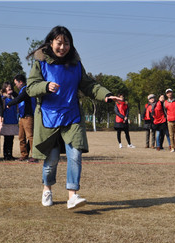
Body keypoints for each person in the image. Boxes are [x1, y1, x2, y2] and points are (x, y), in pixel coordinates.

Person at [27, 25, 118, 209]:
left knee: (75, 154)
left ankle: (72, 195)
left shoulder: (75, 64)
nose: (63, 47)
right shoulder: (40, 62)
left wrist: (106, 95)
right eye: (59, 43)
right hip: (49, 118)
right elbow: (30, 87)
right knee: (51, 160)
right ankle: (47, 188)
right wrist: (45, 86)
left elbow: (89, 85)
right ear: (50, 43)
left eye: (66, 43)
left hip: (72, 116)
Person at [6, 74, 36, 162]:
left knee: (30, 136)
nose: (16, 85)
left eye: (16, 83)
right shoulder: (22, 90)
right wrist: (12, 93)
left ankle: (34, 155)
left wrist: (9, 104)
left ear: (21, 82)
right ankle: (24, 154)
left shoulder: (26, 89)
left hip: (28, 117)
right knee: (21, 137)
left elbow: (19, 99)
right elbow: (19, 97)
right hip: (22, 117)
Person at [0, 82, 18, 160]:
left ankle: (10, 154)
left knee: (11, 139)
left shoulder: (14, 98)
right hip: (6, 120)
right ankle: (5, 154)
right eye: (7, 87)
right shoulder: (3, 98)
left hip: (13, 120)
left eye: (10, 87)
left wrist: (12, 93)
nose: (9, 88)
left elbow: (18, 96)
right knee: (6, 139)